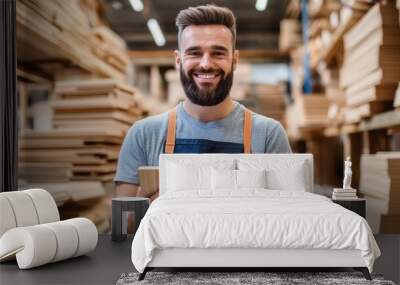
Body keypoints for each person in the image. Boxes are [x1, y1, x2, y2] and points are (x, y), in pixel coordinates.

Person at [114, 4, 291, 200]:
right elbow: (122, 226)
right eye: (194, 52)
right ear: (178, 60)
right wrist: (153, 204)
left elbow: (289, 218)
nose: (206, 64)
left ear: (235, 59)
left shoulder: (268, 136)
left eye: (218, 53)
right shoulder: (144, 135)